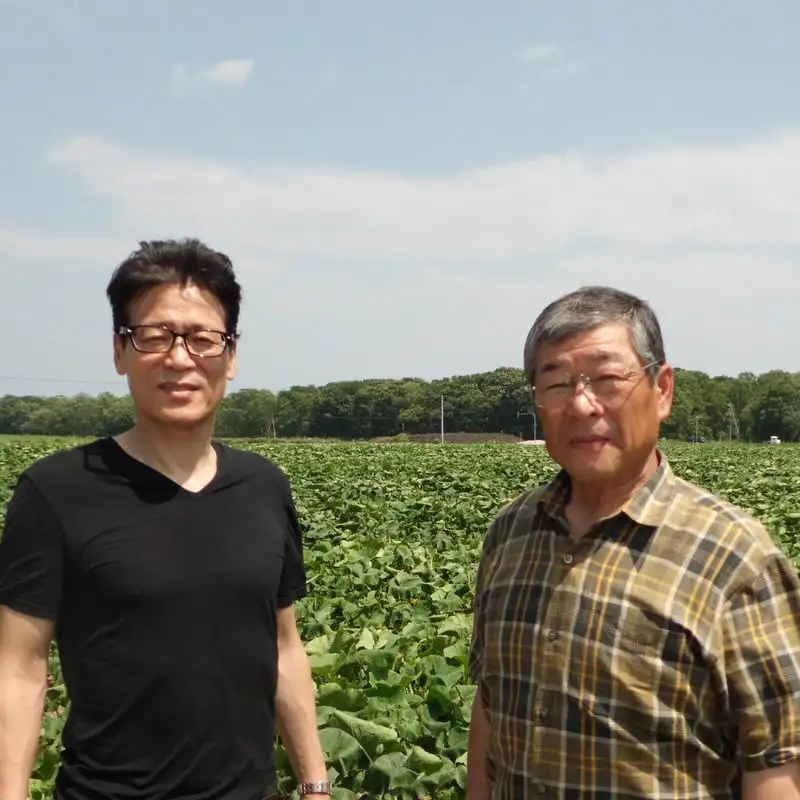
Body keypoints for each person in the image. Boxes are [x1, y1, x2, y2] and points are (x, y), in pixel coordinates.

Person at [0, 239, 331, 800]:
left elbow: (284, 647)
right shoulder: (56, 491)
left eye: (202, 338)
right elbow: (18, 669)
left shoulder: (265, 487)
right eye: (154, 336)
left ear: (231, 355)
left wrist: (315, 784)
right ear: (119, 351)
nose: (180, 358)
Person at [466, 285, 800, 799]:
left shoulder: (734, 556)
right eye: (556, 383)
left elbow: (775, 766)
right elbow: (490, 709)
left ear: (662, 390)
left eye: (607, 379)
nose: (582, 404)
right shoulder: (510, 532)